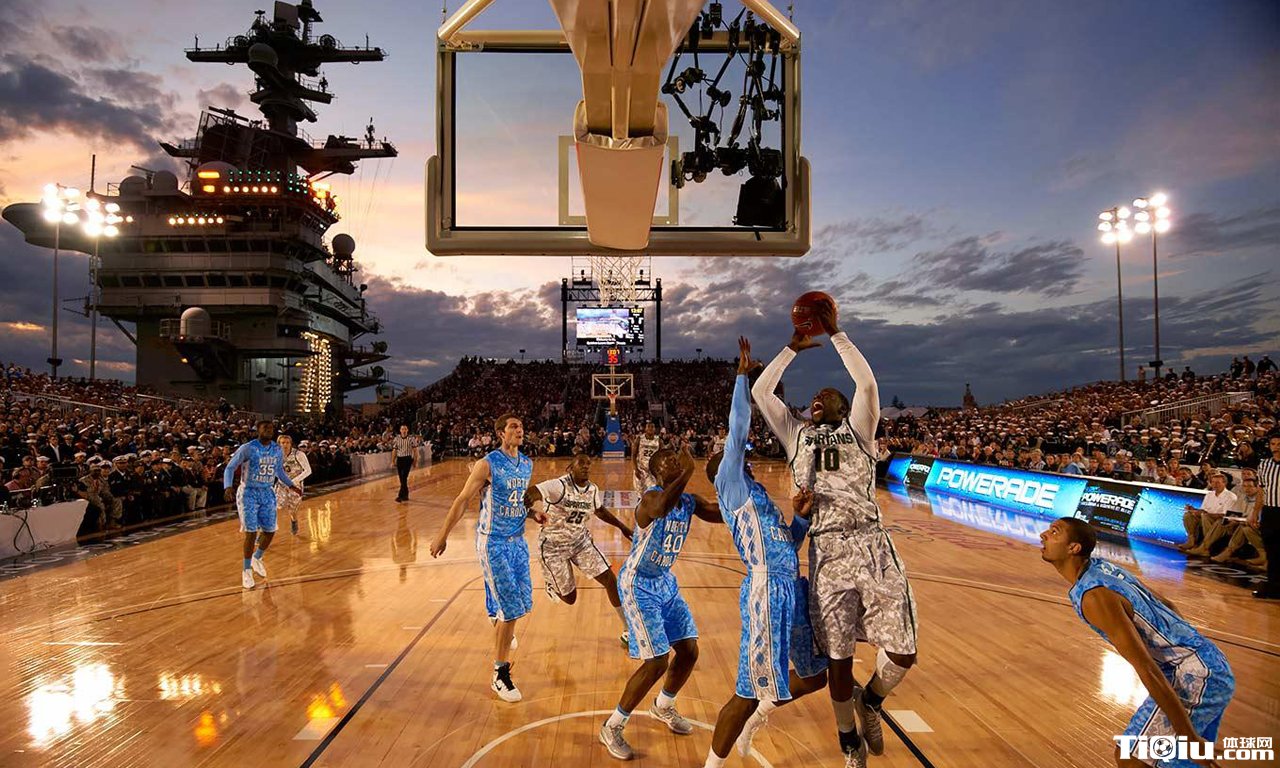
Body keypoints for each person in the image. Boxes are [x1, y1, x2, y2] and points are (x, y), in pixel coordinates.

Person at [752, 298, 917, 768]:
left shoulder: (860, 429)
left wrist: (836, 334)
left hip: (871, 542)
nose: (818, 397)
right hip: (825, 550)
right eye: (815, 395)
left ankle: (872, 701)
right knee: (839, 660)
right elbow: (762, 393)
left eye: (828, 393)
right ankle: (848, 742)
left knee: (903, 651)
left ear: (845, 407)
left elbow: (866, 383)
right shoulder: (797, 434)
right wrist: (791, 349)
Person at [703, 337, 829, 768]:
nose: (745, 456)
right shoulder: (730, 483)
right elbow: (738, 429)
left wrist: (801, 520)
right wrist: (742, 378)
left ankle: (761, 715)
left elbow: (787, 547)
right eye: (739, 456)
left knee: (815, 675)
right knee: (745, 690)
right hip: (765, 592)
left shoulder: (758, 496)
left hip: (791, 585)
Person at [1040, 517, 1233, 768]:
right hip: (1207, 662)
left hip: (1195, 674)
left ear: (1073, 548)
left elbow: (1147, 668)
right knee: (1179, 760)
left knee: (1133, 759)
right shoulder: (1102, 568)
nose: (1044, 535)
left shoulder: (1094, 596)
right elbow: (1167, 604)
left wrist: (1187, 736)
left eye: (1055, 532)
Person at [599, 446, 720, 761]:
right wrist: (689, 471)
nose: (676, 461)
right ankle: (612, 726)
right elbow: (663, 507)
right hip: (638, 584)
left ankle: (663, 705)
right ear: (656, 471)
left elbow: (718, 514)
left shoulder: (688, 502)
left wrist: (741, 495)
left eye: (677, 459)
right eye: (669, 461)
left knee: (689, 649)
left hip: (665, 581)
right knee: (656, 661)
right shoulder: (650, 498)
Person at [430, 414, 541, 702]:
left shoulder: (527, 464)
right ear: (501, 433)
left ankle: (496, 612)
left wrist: (534, 513)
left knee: (523, 604)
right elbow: (462, 499)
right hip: (493, 542)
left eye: (521, 425)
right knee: (512, 609)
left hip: (518, 542)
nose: (520, 429)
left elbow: (518, 502)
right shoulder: (487, 464)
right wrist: (442, 534)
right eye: (513, 426)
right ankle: (499, 675)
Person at [523, 452, 633, 645]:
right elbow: (534, 492)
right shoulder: (558, 486)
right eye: (581, 463)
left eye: (588, 463)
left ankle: (628, 629)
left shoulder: (592, 489)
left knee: (610, 579)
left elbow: (600, 511)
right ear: (570, 467)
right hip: (553, 548)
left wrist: (622, 527)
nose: (585, 466)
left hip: (580, 543)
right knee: (570, 598)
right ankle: (551, 582)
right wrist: (530, 501)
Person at [223, 420, 300, 590]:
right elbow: (230, 467)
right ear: (257, 430)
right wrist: (227, 486)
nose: (268, 430)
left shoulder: (276, 449)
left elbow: (279, 471)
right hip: (249, 492)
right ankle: (246, 570)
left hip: (267, 492)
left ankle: (257, 557)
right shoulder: (248, 448)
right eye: (265, 428)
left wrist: (291, 485)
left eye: (271, 428)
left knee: (270, 530)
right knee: (251, 532)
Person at [1254, 436, 1280, 599]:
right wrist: (1255, 513)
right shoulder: (1264, 464)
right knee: (1271, 551)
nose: (1276, 447)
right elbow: (1261, 491)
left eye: (1279, 444)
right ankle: (1273, 587)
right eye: (1273, 444)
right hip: (1269, 511)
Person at [276, 434, 311, 535]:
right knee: (274, 506)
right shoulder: (275, 455)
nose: (285, 445)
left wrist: (295, 481)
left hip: (295, 486)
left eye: (287, 443)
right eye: (283, 443)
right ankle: (265, 529)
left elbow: (308, 470)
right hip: (281, 485)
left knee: (292, 509)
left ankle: (294, 521)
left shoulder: (298, 454)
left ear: (291, 444)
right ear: (279, 444)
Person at [630, 422, 663, 495]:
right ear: (645, 429)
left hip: (653, 470)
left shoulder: (659, 441)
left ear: (655, 429)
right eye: (649, 426)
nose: (650, 428)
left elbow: (662, 456)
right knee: (640, 494)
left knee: (652, 492)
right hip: (641, 469)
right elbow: (633, 455)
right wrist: (636, 469)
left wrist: (660, 470)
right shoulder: (639, 439)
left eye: (652, 427)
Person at [393, 425, 418, 502]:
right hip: (400, 459)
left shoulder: (411, 439)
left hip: (407, 459)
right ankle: (406, 495)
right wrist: (393, 460)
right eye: (402, 429)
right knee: (402, 478)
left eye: (405, 429)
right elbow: (394, 450)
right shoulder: (397, 439)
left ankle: (400, 496)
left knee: (404, 477)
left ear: (407, 430)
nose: (404, 431)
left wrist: (415, 461)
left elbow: (415, 451)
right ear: (400, 430)